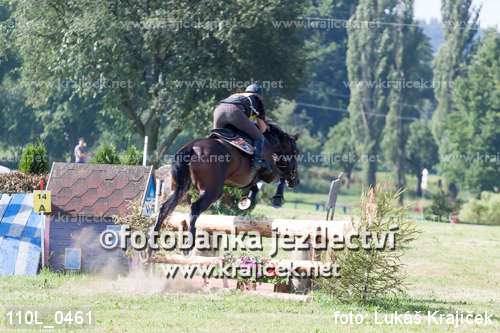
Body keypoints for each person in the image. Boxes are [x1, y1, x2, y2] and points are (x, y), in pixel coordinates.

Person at [214, 84, 269, 170]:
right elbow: (262, 129)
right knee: (259, 137)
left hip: (218, 110)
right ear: (259, 95)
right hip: (234, 112)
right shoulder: (257, 100)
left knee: (216, 136)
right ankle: (256, 162)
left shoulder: (237, 95)